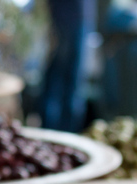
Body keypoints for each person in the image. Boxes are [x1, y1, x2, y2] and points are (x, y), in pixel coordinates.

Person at [39, 0, 96, 133]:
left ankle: (52, 136)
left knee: (59, 84)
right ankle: (60, 136)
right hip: (72, 19)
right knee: (69, 86)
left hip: (65, 18)